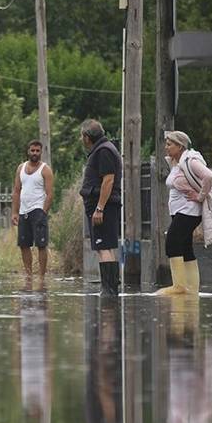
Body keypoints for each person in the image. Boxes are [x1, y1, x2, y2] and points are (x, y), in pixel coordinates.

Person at [157, 130, 212, 295]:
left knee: (172, 242)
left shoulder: (190, 160)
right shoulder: (177, 162)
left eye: (169, 144)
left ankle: (179, 286)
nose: (165, 147)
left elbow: (209, 177)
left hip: (188, 211)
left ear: (180, 146)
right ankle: (191, 289)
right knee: (185, 246)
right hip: (180, 211)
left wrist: (200, 196)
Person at [78, 119, 122, 296]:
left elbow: (108, 179)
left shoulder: (103, 151)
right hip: (102, 206)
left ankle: (109, 289)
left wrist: (100, 208)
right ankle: (109, 287)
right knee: (105, 247)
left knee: (103, 247)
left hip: (103, 207)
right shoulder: (104, 149)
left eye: (82, 136)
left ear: (87, 137)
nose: (81, 140)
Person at [11, 140, 54, 286]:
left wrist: (43, 212)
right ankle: (28, 275)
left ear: (41, 152)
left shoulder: (45, 169)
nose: (35, 153)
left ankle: (41, 276)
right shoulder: (21, 168)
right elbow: (16, 191)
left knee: (41, 245)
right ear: (28, 151)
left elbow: (49, 194)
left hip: (38, 210)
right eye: (32, 150)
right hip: (24, 211)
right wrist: (15, 212)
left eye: (37, 151)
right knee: (24, 244)